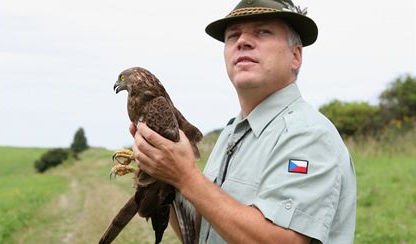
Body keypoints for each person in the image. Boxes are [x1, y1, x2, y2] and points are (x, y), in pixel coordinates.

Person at [130, 0, 356, 243]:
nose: (242, 41)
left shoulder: (308, 135)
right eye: (233, 35)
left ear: (295, 56)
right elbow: (200, 235)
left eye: (262, 31)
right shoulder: (231, 134)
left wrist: (186, 177)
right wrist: (164, 175)